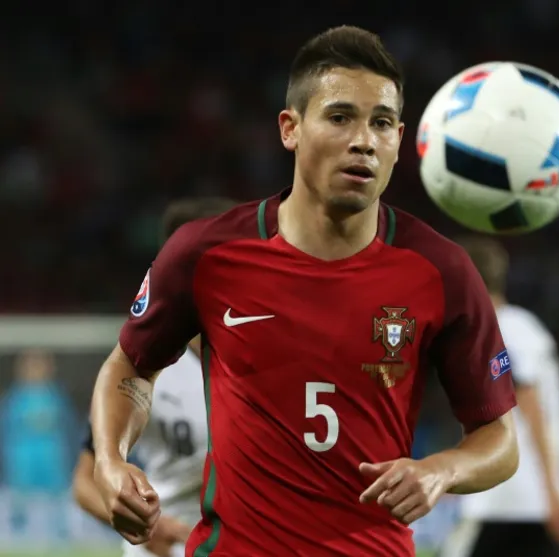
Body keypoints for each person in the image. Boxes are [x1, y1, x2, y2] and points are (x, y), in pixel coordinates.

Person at [89, 25, 520, 557]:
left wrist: (441, 469)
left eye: (381, 123)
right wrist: (111, 459)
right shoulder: (207, 253)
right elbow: (130, 366)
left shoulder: (441, 271)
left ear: (399, 140)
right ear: (290, 128)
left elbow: (499, 438)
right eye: (340, 117)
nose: (364, 140)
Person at [73, 196, 237, 557]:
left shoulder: (265, 357)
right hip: (167, 547)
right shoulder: (140, 367)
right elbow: (85, 482)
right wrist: (148, 528)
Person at [442, 236, 559, 557]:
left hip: (505, 501)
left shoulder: (499, 331)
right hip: (527, 501)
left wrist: (552, 491)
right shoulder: (525, 326)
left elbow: (530, 409)